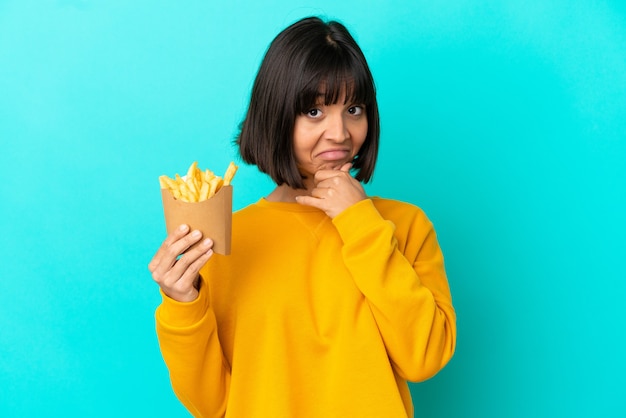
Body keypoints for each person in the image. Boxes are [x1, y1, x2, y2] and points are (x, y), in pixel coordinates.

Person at [148, 16, 456, 418]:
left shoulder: (404, 225)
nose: (340, 133)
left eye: (354, 108)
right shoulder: (226, 238)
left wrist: (361, 224)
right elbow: (213, 404)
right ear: (276, 116)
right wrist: (182, 302)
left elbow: (425, 357)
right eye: (314, 111)